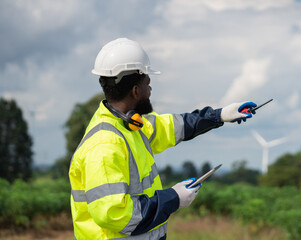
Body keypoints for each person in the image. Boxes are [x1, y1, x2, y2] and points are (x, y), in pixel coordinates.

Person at [69, 38, 257, 240]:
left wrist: (219, 115)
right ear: (135, 90)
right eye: (148, 84)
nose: (150, 91)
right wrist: (173, 198)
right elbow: (115, 214)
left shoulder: (129, 127)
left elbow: (173, 126)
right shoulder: (104, 146)